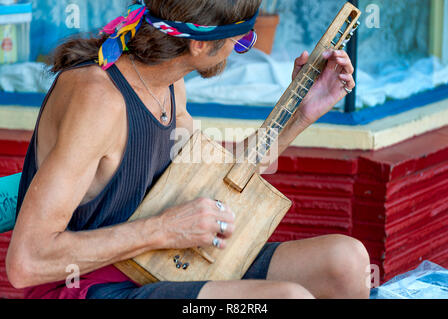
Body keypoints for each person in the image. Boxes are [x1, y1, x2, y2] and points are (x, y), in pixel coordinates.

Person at [6, 0, 370, 299]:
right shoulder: (98, 100)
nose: (239, 50)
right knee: (287, 299)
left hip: (160, 262)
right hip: (88, 285)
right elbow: (26, 263)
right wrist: (164, 229)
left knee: (347, 262)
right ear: (198, 43)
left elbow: (211, 175)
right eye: (240, 42)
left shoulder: (168, 84)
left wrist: (301, 115)